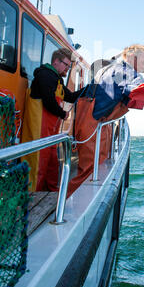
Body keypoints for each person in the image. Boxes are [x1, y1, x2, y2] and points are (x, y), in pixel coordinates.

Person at [67, 44, 144, 195]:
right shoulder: (124, 72)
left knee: (94, 168)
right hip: (93, 124)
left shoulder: (112, 69)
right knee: (88, 173)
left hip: (94, 121)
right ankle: (67, 206)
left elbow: (122, 95)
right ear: (134, 58)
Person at [22, 48, 84, 191]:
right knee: (38, 165)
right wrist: (63, 114)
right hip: (39, 131)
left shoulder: (57, 80)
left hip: (51, 133)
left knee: (51, 164)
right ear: (56, 61)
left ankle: (50, 192)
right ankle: (32, 197)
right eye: (66, 65)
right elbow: (48, 101)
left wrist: (88, 88)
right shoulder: (45, 75)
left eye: (69, 66)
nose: (68, 69)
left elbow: (70, 97)